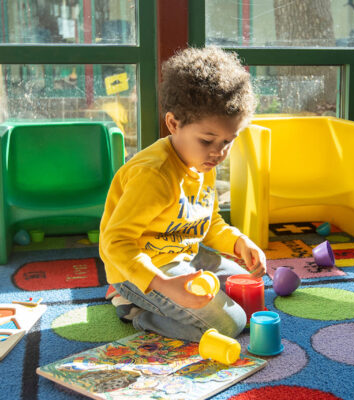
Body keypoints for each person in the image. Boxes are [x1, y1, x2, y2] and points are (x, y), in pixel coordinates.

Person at [99, 46, 266, 343]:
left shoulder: (202, 161)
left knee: (248, 283)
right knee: (232, 324)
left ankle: (160, 301)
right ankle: (138, 312)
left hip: (186, 254)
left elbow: (207, 224)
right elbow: (116, 243)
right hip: (143, 268)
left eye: (228, 141)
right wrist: (165, 284)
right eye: (207, 140)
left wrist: (239, 242)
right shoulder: (153, 175)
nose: (218, 152)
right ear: (174, 124)